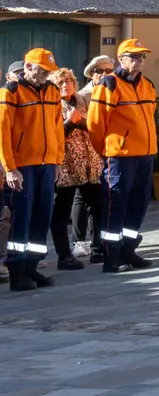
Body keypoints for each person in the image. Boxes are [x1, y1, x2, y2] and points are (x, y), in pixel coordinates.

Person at [88, 39, 159, 273]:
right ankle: (111, 257)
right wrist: (105, 151)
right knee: (115, 206)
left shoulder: (147, 85)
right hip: (119, 157)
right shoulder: (109, 84)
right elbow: (95, 124)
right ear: (122, 59)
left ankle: (128, 250)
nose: (139, 61)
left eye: (142, 57)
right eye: (135, 56)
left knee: (138, 206)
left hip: (145, 155)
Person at [2, 49, 64, 291]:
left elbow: (58, 128)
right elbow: (2, 134)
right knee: (21, 219)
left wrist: (58, 161)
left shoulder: (52, 91)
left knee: (42, 216)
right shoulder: (11, 92)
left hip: (47, 164)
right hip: (23, 166)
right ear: (27, 67)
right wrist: (10, 168)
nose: (45, 75)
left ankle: (31, 266)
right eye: (42, 71)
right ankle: (17, 270)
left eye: (48, 71)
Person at [50, 69, 104, 270]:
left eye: (68, 82)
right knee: (61, 212)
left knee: (97, 207)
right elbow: (51, 134)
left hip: (91, 163)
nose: (65, 86)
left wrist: (79, 121)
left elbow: (94, 126)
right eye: (60, 83)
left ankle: (98, 249)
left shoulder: (85, 100)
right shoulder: (52, 105)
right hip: (65, 166)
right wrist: (69, 123)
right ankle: (64, 256)